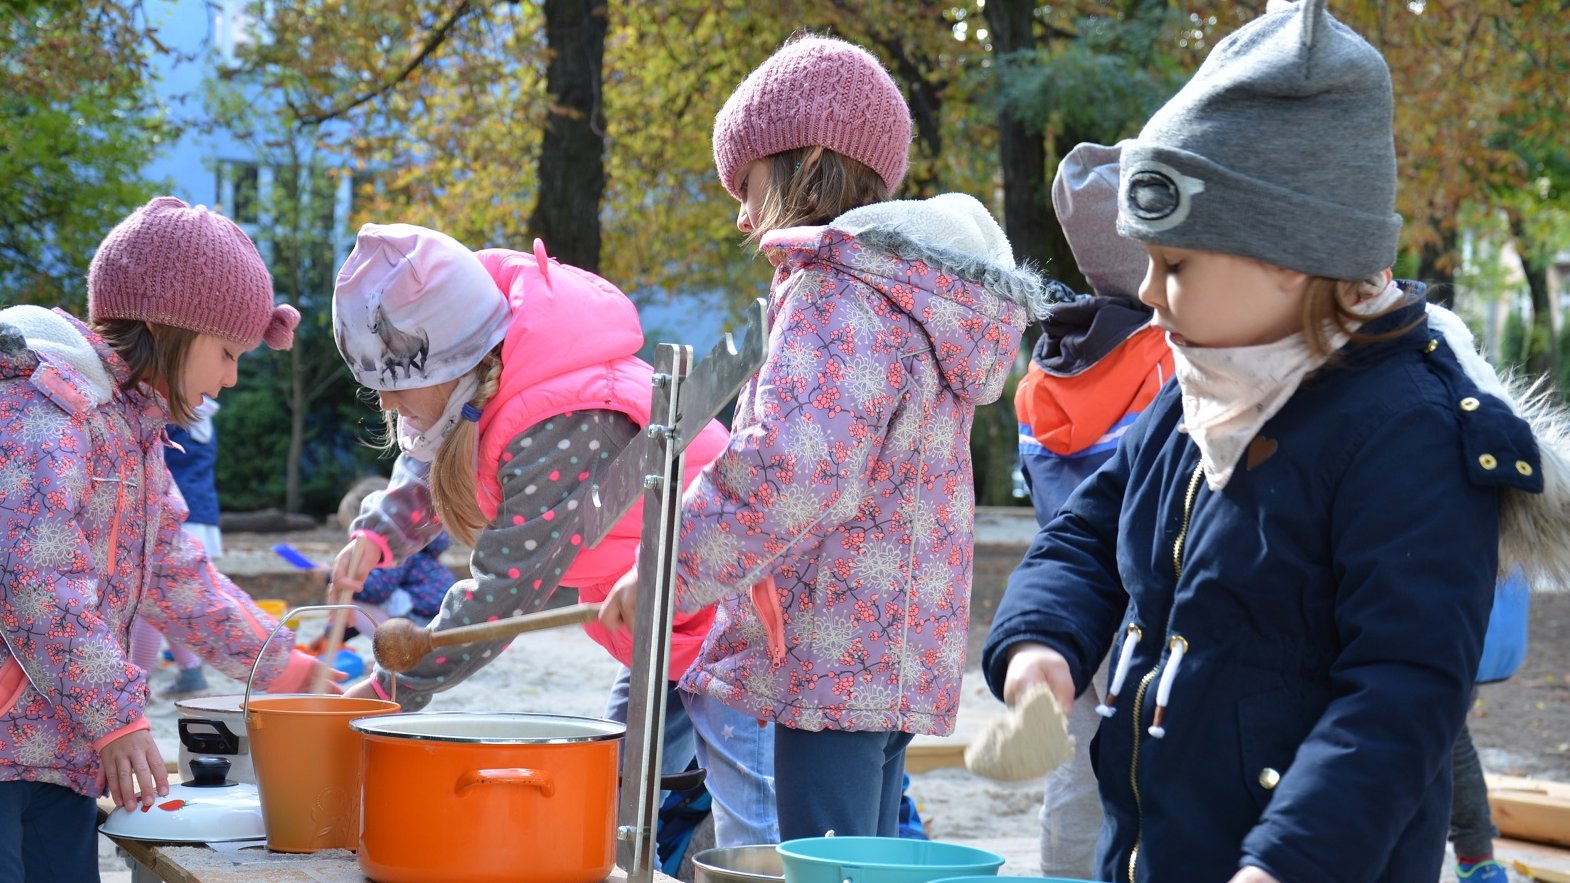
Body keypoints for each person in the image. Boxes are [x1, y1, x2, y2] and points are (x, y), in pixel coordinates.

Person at [982, 2, 1570, 881]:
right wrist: (1042, 647)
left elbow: (1398, 696)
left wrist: (1286, 863)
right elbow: (1089, 536)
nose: (1149, 293)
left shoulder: (1409, 434)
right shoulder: (1199, 391)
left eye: (1175, 265)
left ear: (1291, 256)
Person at [601, 34, 1043, 840]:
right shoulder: (911, 297)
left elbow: (791, 468)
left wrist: (671, 566)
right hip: (891, 648)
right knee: (861, 856)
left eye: (746, 181)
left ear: (802, 163)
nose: (740, 212)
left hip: (833, 644)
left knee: (822, 860)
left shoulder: (837, 290)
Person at [325, 223, 779, 847]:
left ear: (453, 357)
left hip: (732, 620)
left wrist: (387, 690)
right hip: (657, 627)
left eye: (394, 384)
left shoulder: (559, 422)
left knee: (752, 822)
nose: (385, 402)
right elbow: (434, 456)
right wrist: (379, 535)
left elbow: (505, 594)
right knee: (619, 789)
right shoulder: (485, 385)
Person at [0, 196, 336, 882]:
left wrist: (291, 670)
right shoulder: (43, 405)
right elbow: (34, 579)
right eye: (226, 353)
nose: (231, 377)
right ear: (165, 326)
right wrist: (120, 720)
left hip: (60, 751)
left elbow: (181, 578)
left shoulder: (136, 430)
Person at [1010, 139, 1173, 879]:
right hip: (1141, 598)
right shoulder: (1170, 357)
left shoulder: (1044, 368)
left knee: (1074, 769)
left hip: (1076, 598)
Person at [128, 398, 224, 695]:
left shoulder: (171, 416)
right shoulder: (203, 420)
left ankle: (138, 684)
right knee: (174, 601)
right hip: (204, 514)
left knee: (151, 601)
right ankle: (191, 670)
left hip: (175, 512)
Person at [1450, 568, 1531, 882]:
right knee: (1452, 740)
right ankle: (1477, 859)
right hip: (1463, 629)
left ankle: (1476, 858)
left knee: (1447, 740)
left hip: (1435, 628)